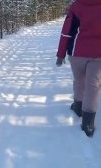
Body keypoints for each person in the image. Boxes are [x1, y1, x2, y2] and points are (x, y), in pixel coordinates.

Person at [56, 0, 101, 137]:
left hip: (77, 53)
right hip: (98, 54)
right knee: (93, 86)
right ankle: (88, 122)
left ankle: (78, 107)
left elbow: (67, 32)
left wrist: (60, 54)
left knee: (79, 80)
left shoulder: (75, 7)